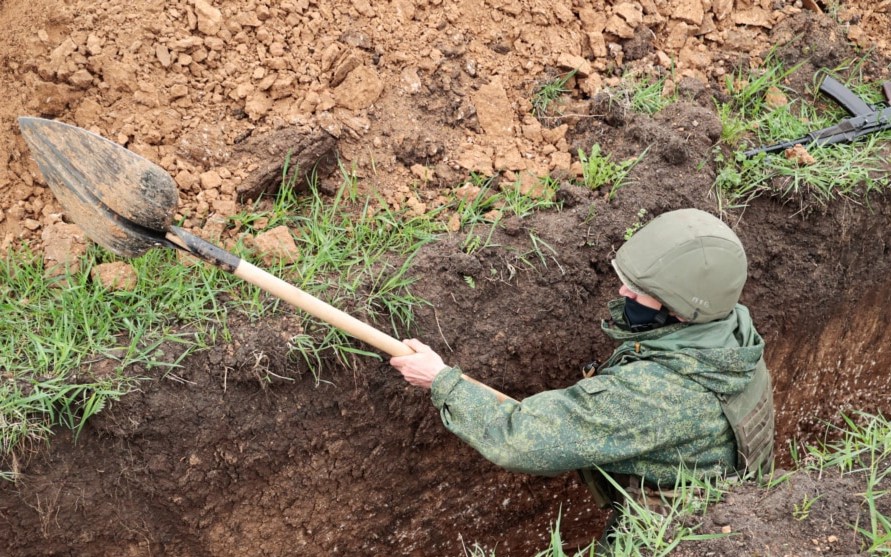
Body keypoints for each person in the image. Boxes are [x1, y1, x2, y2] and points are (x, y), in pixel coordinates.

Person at [390, 208, 775, 522]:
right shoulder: (732, 335)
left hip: (676, 536)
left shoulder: (657, 394)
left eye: (641, 292)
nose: (624, 292)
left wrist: (441, 380)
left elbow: (523, 441)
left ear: (680, 311)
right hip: (728, 509)